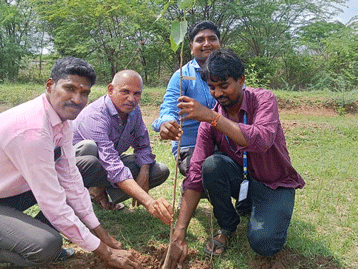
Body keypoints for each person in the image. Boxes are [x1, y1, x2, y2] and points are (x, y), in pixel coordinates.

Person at [163, 49, 305, 268]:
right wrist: (179, 233)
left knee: (264, 244)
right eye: (212, 87)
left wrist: (213, 117)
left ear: (241, 80)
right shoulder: (210, 122)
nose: (218, 93)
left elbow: (262, 140)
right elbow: (195, 175)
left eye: (224, 85)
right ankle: (227, 226)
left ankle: (268, 210)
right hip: (242, 180)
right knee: (210, 166)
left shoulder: (263, 100)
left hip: (274, 184)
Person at [0, 57, 144, 268]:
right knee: (47, 245)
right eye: (69, 88)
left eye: (84, 92)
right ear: (50, 85)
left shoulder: (61, 120)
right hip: (8, 194)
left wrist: (100, 232)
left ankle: (23, 236)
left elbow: (71, 179)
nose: (77, 99)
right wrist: (106, 253)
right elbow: (53, 202)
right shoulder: (33, 131)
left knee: (75, 180)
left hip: (9, 192)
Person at [72, 70, 173, 226]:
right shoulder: (95, 115)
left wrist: (144, 173)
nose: (131, 99)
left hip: (108, 164)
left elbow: (143, 145)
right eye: (125, 92)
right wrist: (148, 201)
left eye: (137, 94)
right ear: (111, 90)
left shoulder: (134, 111)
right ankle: (78, 201)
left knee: (159, 170)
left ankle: (102, 194)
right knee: (89, 149)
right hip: (76, 168)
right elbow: (112, 164)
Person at [152, 20, 221, 175]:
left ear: (220, 43)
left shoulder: (231, 74)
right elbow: (169, 109)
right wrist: (166, 123)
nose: (207, 44)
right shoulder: (181, 76)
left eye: (212, 39)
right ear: (191, 47)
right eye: (200, 40)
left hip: (226, 142)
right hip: (191, 145)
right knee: (204, 171)